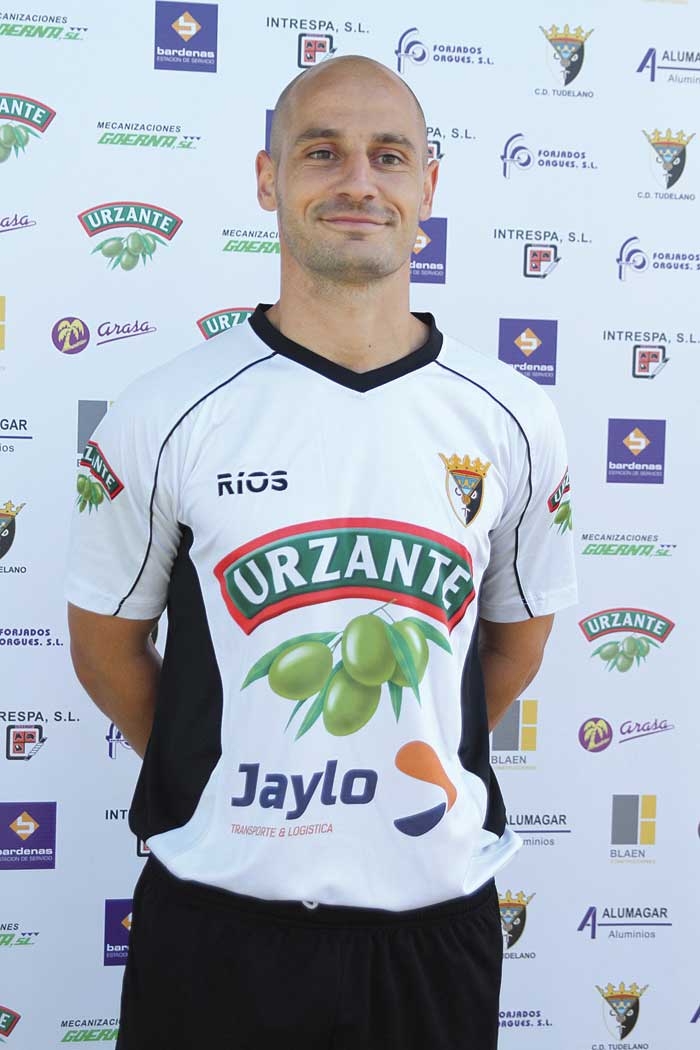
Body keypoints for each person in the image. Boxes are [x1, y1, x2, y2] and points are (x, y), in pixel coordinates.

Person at [66, 54, 576, 1050]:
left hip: (433, 928)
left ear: (428, 184)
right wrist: (234, 763)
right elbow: (105, 649)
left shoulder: (513, 416)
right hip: (218, 928)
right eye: (321, 152)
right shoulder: (165, 412)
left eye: (389, 155)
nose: (357, 181)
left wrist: (396, 761)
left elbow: (515, 646)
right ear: (268, 180)